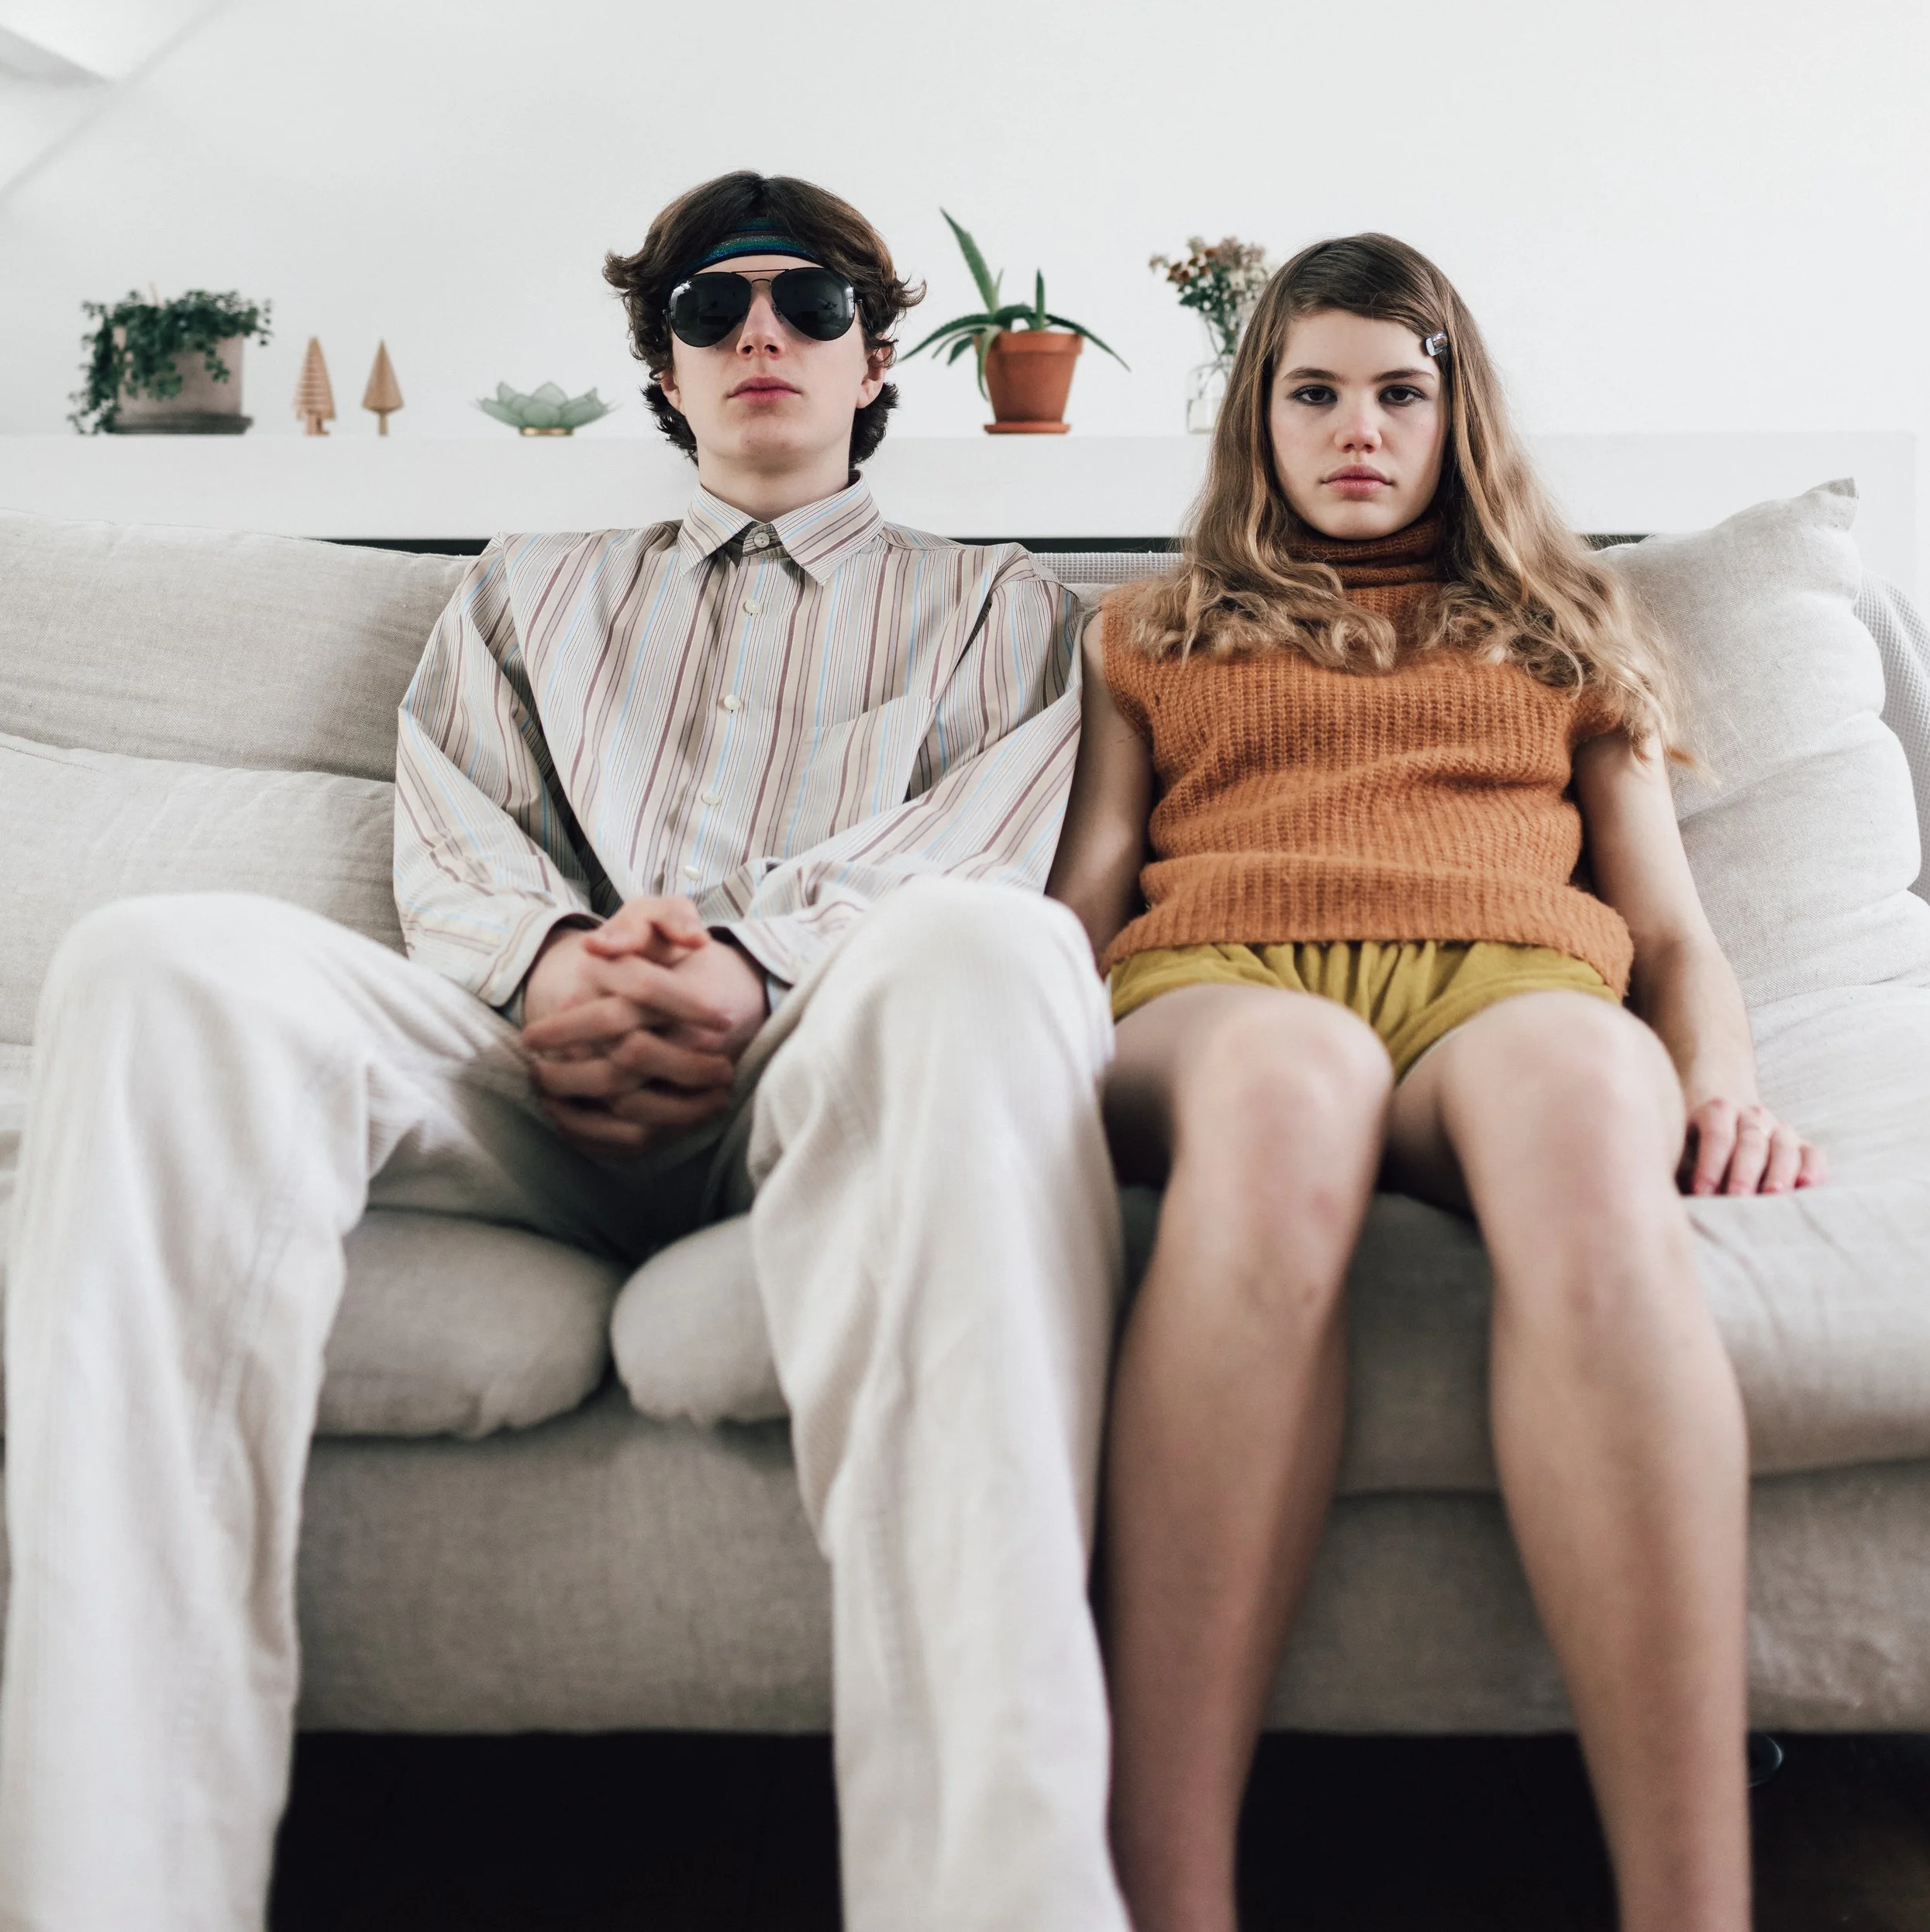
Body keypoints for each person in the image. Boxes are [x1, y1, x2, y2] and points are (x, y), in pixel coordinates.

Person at [0, 171, 1132, 1932]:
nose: (760, 332)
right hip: (523, 1083)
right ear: (665, 369)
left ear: (875, 357)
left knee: (997, 952)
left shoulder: (1002, 606)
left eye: (813, 302)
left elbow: (975, 853)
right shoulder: (525, 592)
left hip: (821, 1074)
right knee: (153, 964)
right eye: (709, 307)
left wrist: (741, 967)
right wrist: (555, 974)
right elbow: (457, 849)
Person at [1046, 231, 1825, 1932]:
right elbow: (1081, 902)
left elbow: (1667, 932)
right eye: (1313, 393)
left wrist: (1721, 1084)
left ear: (1454, 412)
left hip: (1509, 984)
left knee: (1586, 1112)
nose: (1357, 430)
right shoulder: (1146, 631)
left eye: (1399, 394)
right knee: (1296, 1087)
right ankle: (1165, 1900)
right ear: (1256, 416)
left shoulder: (1565, 626)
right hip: (1223, 989)